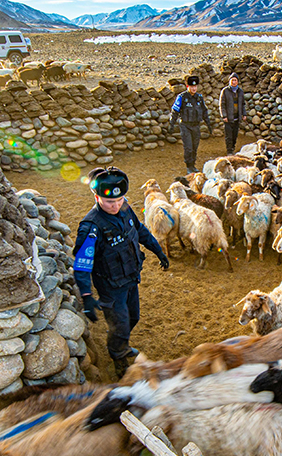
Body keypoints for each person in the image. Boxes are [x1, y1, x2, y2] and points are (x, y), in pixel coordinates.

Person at [73, 166, 169, 378]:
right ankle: (119, 358)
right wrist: (87, 295)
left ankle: (121, 345)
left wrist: (158, 251)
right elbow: (82, 264)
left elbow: (140, 230)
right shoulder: (91, 226)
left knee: (133, 317)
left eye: (119, 199)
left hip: (130, 278)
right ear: (97, 197)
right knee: (120, 325)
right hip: (110, 285)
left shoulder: (124, 208)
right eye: (110, 202)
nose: (116, 205)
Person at [169, 75, 212, 173]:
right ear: (187, 87)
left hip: (196, 125)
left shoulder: (199, 98)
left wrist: (208, 124)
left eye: (195, 86)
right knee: (188, 147)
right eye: (192, 87)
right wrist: (171, 124)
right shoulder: (182, 97)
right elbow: (175, 111)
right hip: (185, 125)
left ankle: (193, 165)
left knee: (194, 147)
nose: (194, 88)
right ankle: (189, 166)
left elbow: (204, 111)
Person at [219, 72, 245, 155]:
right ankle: (229, 150)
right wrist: (224, 115)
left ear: (237, 82)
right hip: (228, 118)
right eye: (232, 80)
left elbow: (243, 104)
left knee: (234, 135)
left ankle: (233, 147)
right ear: (229, 81)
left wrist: (244, 114)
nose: (233, 82)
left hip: (237, 117)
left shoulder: (240, 92)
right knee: (229, 136)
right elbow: (222, 104)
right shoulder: (225, 91)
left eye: (235, 80)